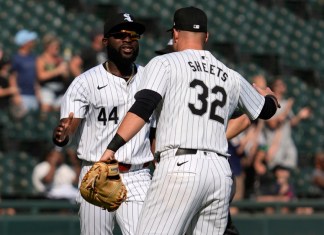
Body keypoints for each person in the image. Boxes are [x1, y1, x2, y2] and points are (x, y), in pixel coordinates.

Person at [100, 6, 279, 235]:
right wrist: (271, 97)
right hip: (219, 173)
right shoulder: (230, 75)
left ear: (175, 34)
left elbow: (143, 107)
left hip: (180, 167)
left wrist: (111, 148)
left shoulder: (164, 63)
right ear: (206, 36)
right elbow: (265, 110)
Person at [52, 12, 155, 235]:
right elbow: (69, 127)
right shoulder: (85, 82)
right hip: (96, 174)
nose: (128, 39)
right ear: (105, 41)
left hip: (138, 173)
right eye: (120, 35)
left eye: (133, 35)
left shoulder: (151, 78)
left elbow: (156, 129)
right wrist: (62, 134)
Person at [264, 78, 311, 171]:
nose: (283, 86)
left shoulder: (285, 103)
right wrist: (288, 107)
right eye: (280, 84)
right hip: (274, 142)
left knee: (287, 169)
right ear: (274, 87)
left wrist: (300, 115)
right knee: (276, 169)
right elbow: (274, 123)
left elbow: (291, 122)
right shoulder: (270, 102)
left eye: (283, 84)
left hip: (287, 141)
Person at [36, 34, 69, 113]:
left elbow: (65, 76)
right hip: (47, 89)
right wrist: (57, 71)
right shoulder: (41, 59)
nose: (57, 49)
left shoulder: (59, 59)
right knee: (46, 110)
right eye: (55, 47)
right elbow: (41, 76)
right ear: (48, 47)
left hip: (60, 90)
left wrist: (65, 71)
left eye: (58, 47)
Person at [9, 29, 39, 116]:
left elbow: (35, 77)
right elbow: (12, 77)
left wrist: (37, 93)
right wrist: (16, 95)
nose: (32, 42)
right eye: (30, 40)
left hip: (33, 95)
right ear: (24, 43)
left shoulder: (33, 57)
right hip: (22, 96)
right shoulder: (16, 58)